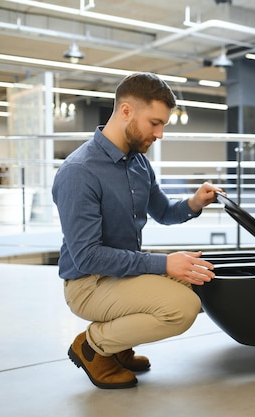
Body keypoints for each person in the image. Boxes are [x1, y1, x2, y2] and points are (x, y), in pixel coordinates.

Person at [52, 72, 221, 389]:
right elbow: (87, 257)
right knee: (182, 309)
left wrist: (195, 202)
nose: (159, 134)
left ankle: (117, 345)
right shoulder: (79, 171)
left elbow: (164, 212)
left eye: (163, 126)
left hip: (122, 274)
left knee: (201, 283)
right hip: (89, 284)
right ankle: (94, 346)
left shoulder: (138, 163)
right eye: (154, 123)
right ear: (126, 111)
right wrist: (164, 263)